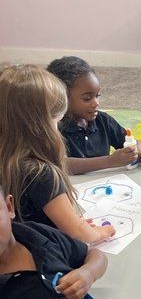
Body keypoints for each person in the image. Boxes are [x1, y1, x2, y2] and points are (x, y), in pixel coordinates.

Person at [0, 65, 115, 245]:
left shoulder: (7, 157)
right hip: (43, 256)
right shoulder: (40, 172)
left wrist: (77, 225)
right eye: (57, 121)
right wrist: (101, 232)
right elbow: (79, 234)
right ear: (43, 124)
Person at [47, 56, 141, 175]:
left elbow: (131, 141)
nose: (96, 103)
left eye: (97, 95)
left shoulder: (103, 120)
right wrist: (110, 161)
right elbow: (61, 164)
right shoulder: (54, 127)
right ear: (61, 98)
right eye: (87, 98)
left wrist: (139, 151)